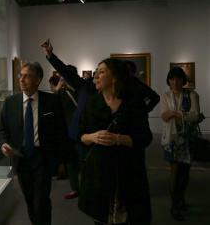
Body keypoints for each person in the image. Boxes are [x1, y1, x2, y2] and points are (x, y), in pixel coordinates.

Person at [79, 58, 152, 224]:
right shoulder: (92, 102)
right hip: (99, 173)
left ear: (114, 77)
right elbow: (81, 135)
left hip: (127, 173)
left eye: (102, 71)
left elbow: (145, 138)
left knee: (129, 217)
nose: (95, 75)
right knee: (100, 217)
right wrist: (93, 137)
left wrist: (119, 139)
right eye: (96, 71)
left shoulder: (134, 103)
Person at [0, 61, 68, 225]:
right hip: (21, 158)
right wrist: (5, 145)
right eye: (20, 76)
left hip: (42, 158)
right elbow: (3, 130)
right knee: (30, 200)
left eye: (26, 76)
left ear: (38, 80)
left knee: (41, 200)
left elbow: (61, 133)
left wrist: (62, 161)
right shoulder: (10, 102)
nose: (21, 80)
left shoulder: (51, 101)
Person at [160, 67, 201, 221]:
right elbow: (165, 117)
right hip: (170, 138)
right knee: (175, 172)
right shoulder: (165, 96)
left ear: (183, 80)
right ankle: (174, 205)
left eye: (177, 79)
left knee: (185, 172)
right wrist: (183, 115)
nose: (175, 82)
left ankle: (181, 199)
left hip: (188, 138)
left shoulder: (192, 95)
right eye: (172, 79)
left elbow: (195, 116)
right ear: (169, 81)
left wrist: (174, 113)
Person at [54, 65, 81, 199]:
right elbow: (52, 105)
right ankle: (75, 188)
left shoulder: (82, 89)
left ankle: (89, 187)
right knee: (71, 161)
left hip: (84, 129)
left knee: (86, 159)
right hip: (68, 130)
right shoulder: (61, 91)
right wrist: (57, 89)